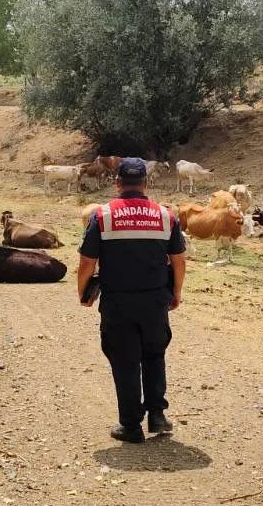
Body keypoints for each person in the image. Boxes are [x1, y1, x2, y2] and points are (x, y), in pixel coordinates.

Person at [76, 158, 188, 443]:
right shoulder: (166, 216)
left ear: (117, 183)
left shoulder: (102, 216)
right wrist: (176, 292)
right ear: (146, 184)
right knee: (154, 354)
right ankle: (158, 416)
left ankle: (130, 425)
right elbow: (178, 260)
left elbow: (88, 261)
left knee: (125, 361)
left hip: (118, 302)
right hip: (155, 300)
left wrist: (84, 292)